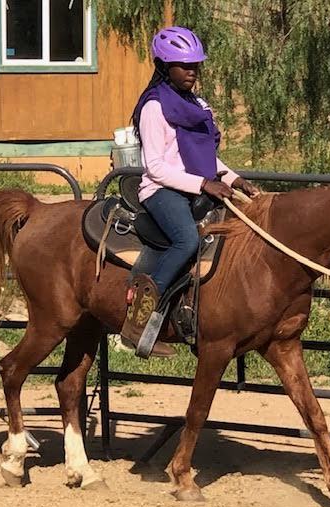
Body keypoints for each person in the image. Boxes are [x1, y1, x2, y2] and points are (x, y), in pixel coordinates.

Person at [120, 26, 259, 351]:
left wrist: (232, 178)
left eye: (196, 65)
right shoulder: (154, 108)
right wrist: (205, 184)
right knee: (185, 239)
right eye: (185, 66)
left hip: (196, 187)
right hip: (161, 190)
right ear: (164, 66)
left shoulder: (198, 104)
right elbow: (155, 167)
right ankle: (138, 324)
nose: (192, 72)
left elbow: (205, 158)